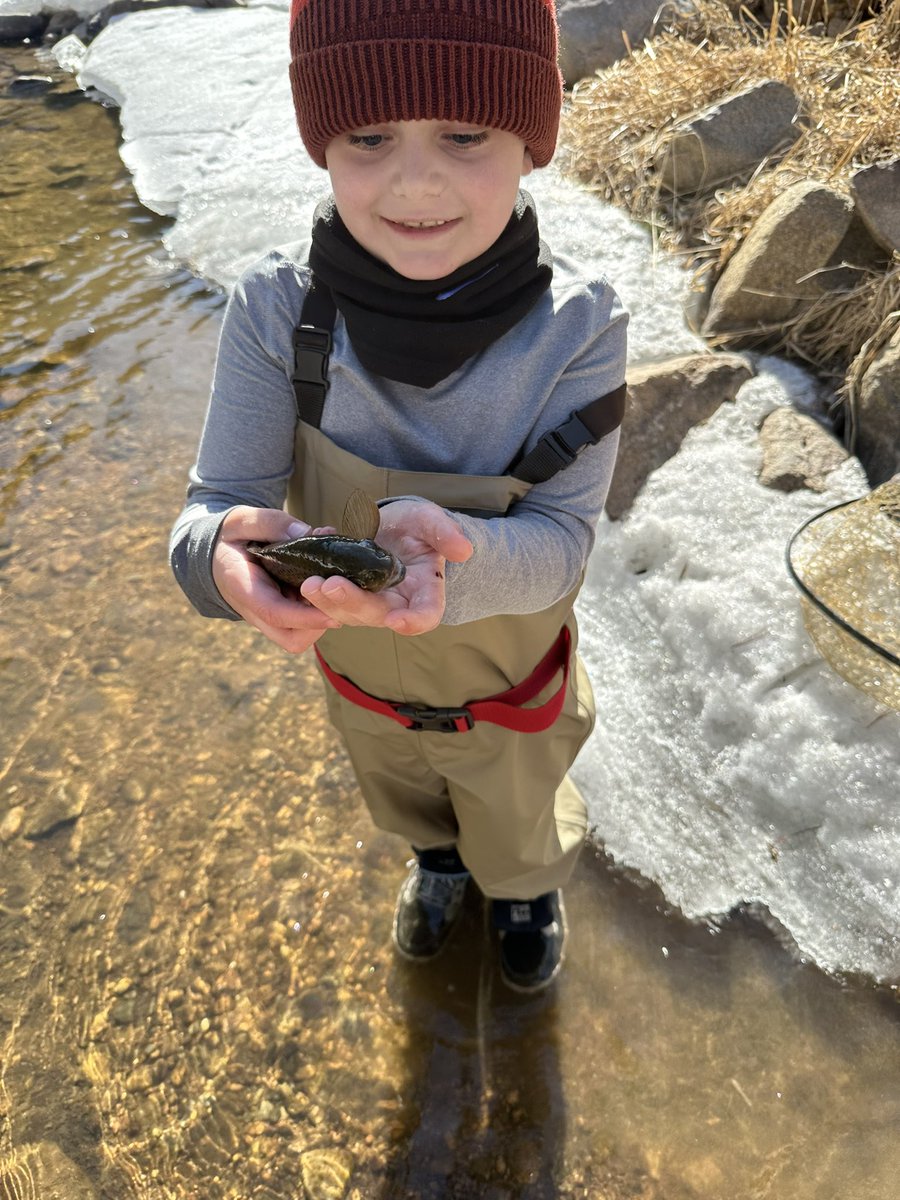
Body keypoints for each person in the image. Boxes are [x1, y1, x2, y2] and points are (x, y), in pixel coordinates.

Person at [170, 0, 628, 993]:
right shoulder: (274, 314)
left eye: (464, 134)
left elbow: (561, 544)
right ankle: (438, 864)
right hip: (361, 690)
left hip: (511, 695)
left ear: (529, 138)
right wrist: (213, 560)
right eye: (369, 136)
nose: (414, 181)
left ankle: (522, 890)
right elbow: (213, 509)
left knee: (519, 821)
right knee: (409, 803)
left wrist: (456, 564)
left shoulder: (581, 332)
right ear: (322, 142)